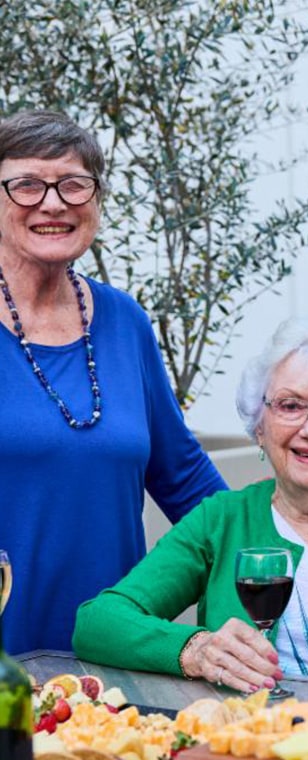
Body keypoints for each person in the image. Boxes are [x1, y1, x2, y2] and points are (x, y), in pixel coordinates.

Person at [73, 317, 308, 692]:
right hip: (237, 734)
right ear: (260, 427)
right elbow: (97, 624)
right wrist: (196, 650)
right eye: (291, 405)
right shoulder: (221, 519)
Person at [0, 109, 225, 654]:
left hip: (113, 656)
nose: (53, 204)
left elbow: (183, 476)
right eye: (26, 185)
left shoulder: (125, 321)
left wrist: (281, 542)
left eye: (74, 185)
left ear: (97, 200)